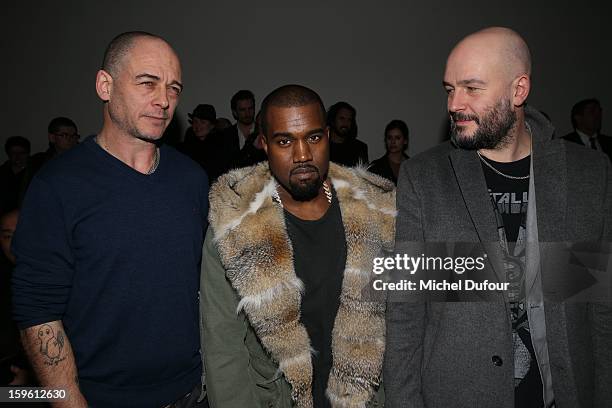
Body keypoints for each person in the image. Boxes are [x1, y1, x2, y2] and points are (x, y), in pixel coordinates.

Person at [384, 27, 612, 408]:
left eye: (472, 88)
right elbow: (405, 314)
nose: (455, 103)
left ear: (518, 90)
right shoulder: (423, 178)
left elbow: (600, 310)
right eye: (449, 89)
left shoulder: (589, 174)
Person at [12, 31, 209, 407]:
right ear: (105, 85)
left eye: (173, 88)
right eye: (148, 83)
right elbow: (37, 309)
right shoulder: (58, 185)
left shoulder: (192, 179)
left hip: (193, 392)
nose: (164, 101)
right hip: (98, 397)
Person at [200, 84, 395, 407]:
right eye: (285, 141)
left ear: (329, 136)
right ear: (264, 143)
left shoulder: (377, 212)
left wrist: (506, 271)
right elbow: (223, 347)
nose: (303, 154)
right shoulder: (233, 227)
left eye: (314, 137)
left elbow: (413, 306)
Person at [181, 104, 232, 184]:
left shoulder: (221, 145)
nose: (197, 126)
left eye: (202, 122)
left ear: (212, 125)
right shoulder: (188, 143)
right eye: (195, 121)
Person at [368, 119, 410, 185]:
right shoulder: (375, 167)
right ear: (386, 140)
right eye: (389, 138)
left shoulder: (412, 166)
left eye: (397, 138)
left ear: (405, 141)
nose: (393, 142)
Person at [327, 101, 368, 166]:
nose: (345, 123)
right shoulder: (322, 145)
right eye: (342, 118)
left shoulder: (359, 148)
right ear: (332, 120)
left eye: (349, 120)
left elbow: (363, 174)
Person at [0, 136, 34, 213]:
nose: (18, 157)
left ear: (28, 153)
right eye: (13, 153)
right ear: (8, 154)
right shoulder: (2, 172)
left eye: (22, 153)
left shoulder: (34, 174)